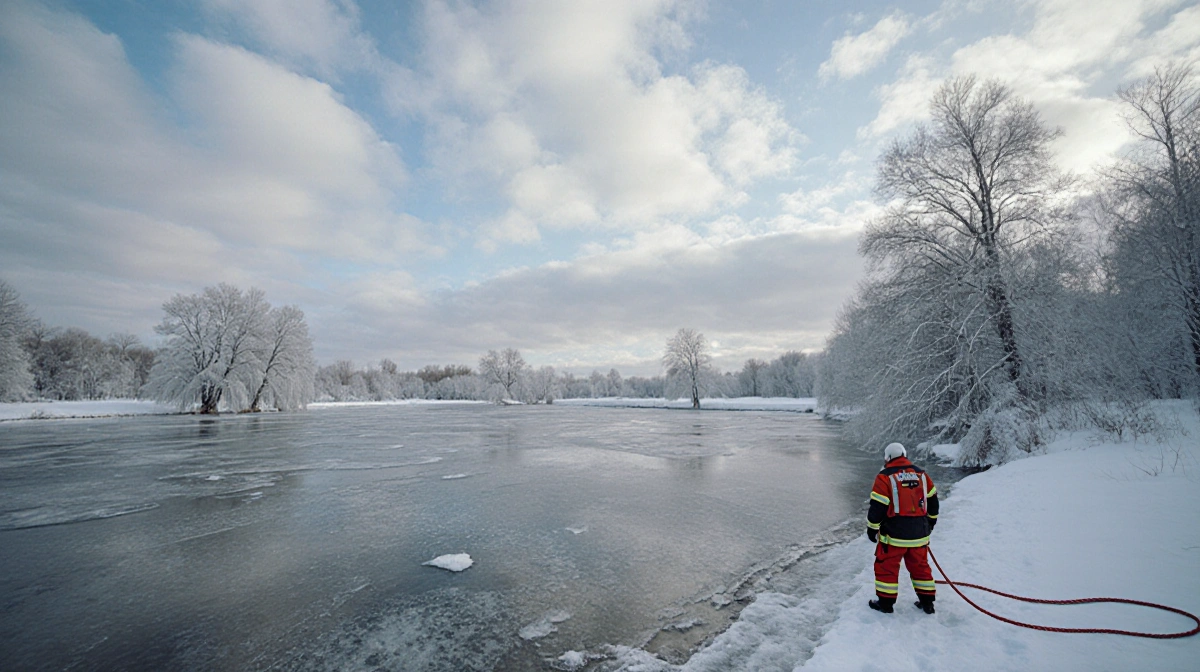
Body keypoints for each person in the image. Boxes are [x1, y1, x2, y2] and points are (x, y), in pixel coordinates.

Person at [865, 442, 939, 614]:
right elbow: (933, 501)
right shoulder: (921, 475)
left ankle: (885, 604)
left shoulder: (884, 477)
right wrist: (930, 522)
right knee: (920, 567)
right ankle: (927, 603)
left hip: (893, 536)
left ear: (888, 458)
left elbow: (877, 507)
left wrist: (872, 528)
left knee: (886, 567)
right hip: (920, 534)